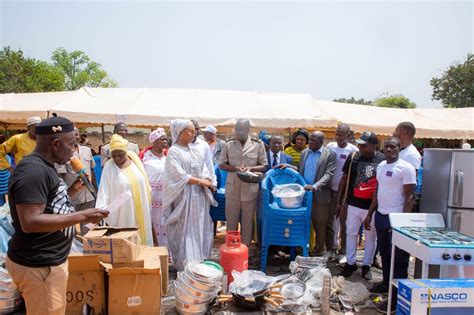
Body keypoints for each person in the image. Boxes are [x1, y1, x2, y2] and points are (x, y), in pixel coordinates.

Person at [5, 115, 108, 315]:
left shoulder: (47, 167)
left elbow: (48, 206)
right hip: (39, 266)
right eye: (71, 144)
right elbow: (31, 221)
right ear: (55, 144)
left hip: (50, 262)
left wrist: (72, 191)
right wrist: (83, 216)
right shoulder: (33, 171)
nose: (74, 150)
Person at [364, 137, 416, 311]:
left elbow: (409, 198)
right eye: (386, 146)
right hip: (381, 216)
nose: (389, 149)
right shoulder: (381, 166)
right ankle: (386, 283)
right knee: (385, 253)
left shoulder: (406, 168)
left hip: (397, 219)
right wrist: (370, 213)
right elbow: (378, 191)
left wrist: (403, 223)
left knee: (399, 259)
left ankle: (396, 298)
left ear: (399, 148)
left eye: (392, 146)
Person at [162, 119, 216, 271]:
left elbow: (203, 167)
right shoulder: (174, 151)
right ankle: (186, 264)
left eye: (194, 131)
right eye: (190, 131)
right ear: (180, 132)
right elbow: (178, 176)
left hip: (199, 198)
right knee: (185, 230)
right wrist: (201, 181)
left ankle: (200, 260)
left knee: (200, 227)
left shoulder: (193, 150)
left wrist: (207, 178)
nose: (194, 134)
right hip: (184, 198)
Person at [337, 131, 385, 280]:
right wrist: (340, 202)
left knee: (371, 237)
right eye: (360, 145)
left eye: (364, 145)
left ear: (373, 145)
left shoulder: (382, 161)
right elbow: (344, 179)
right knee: (351, 233)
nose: (361, 148)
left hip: (372, 207)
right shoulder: (353, 157)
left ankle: (366, 265)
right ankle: (350, 263)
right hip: (353, 204)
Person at [96, 134, 153, 246]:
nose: (117, 158)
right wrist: (100, 210)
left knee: (144, 237)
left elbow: (144, 183)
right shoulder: (109, 166)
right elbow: (104, 190)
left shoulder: (135, 161)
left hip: (142, 210)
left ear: (126, 152)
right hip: (124, 213)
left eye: (121, 155)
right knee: (127, 243)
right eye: (114, 155)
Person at [219, 118, 267, 245]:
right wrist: (235, 168)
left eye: (241, 130)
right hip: (232, 190)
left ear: (248, 130)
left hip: (249, 189)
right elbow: (221, 165)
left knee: (247, 223)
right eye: (236, 130)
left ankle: (245, 251)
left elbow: (264, 165)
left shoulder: (258, 144)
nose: (238, 133)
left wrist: (250, 168)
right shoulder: (228, 144)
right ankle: (231, 247)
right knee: (231, 222)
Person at [299, 131, 336, 256]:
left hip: (320, 195)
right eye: (310, 140)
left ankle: (319, 252)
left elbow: (329, 174)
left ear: (321, 142)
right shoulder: (304, 153)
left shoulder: (330, 154)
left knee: (320, 226)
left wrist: (315, 186)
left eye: (313, 140)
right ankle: (302, 250)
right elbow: (300, 171)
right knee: (303, 223)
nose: (310, 142)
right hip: (304, 195)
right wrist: (288, 166)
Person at [326, 124, 359, 261]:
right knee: (330, 221)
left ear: (348, 136)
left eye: (342, 135)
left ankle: (343, 251)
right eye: (337, 134)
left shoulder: (354, 150)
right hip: (330, 190)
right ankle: (330, 249)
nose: (338, 137)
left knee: (344, 223)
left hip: (345, 193)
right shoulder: (330, 147)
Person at [55, 127, 97, 215]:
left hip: (89, 196)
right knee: (71, 225)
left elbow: (92, 170)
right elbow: (60, 176)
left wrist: (95, 189)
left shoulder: (87, 150)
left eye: (77, 134)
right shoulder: (63, 153)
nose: (75, 137)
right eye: (73, 135)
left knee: (87, 226)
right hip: (72, 196)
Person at [141, 128, 169, 246]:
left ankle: (167, 251)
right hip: (151, 197)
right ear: (154, 141)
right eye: (162, 139)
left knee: (165, 222)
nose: (165, 141)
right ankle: (153, 248)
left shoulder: (169, 154)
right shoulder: (144, 155)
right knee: (152, 222)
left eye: (165, 138)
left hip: (166, 196)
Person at [191, 120, 217, 190]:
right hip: (187, 185)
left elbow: (209, 164)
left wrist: (214, 182)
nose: (195, 131)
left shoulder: (204, 145)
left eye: (197, 129)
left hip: (203, 184)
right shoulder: (180, 146)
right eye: (192, 129)